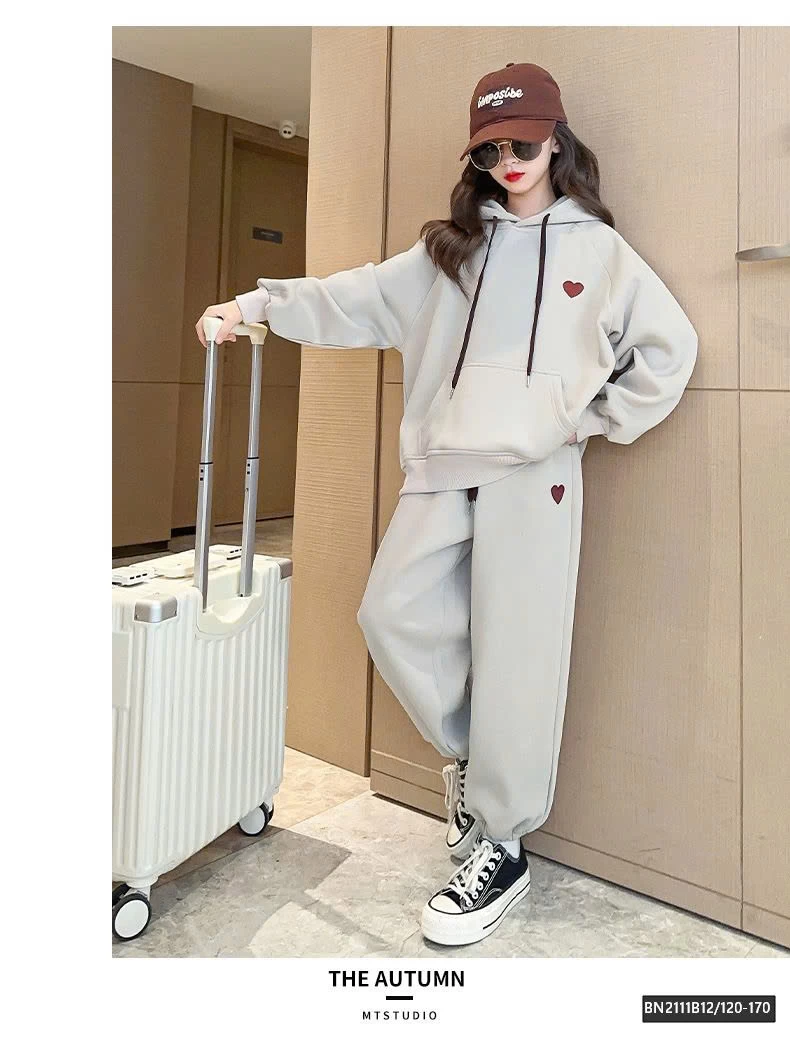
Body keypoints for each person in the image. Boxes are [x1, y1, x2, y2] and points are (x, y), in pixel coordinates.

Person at [196, 62, 698, 948]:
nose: (510, 161)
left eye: (524, 142)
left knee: (520, 654)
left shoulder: (599, 253)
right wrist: (255, 305)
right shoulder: (450, 253)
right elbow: (354, 297)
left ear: (557, 139)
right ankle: (475, 760)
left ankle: (502, 844)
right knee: (390, 611)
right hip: (441, 464)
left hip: (535, 475)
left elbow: (670, 350)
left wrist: (585, 422)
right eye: (491, 150)